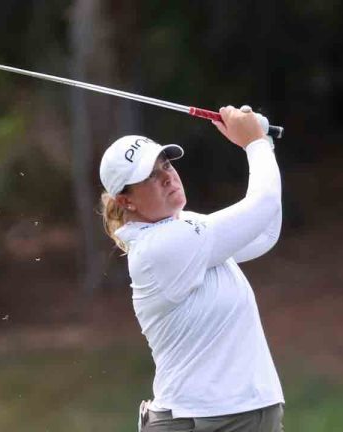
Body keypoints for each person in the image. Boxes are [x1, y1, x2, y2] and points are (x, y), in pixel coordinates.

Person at [98, 105, 284, 432]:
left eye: (166, 164)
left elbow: (265, 230)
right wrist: (253, 142)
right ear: (127, 201)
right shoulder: (162, 247)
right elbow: (262, 206)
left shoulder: (188, 227)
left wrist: (263, 143)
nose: (168, 176)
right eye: (150, 176)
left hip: (238, 417)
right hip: (197, 423)